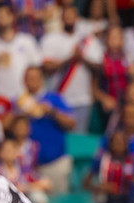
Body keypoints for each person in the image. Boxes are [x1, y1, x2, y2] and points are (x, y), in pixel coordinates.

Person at [41, 4, 104, 133]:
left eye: (72, 15)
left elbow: (100, 68)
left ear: (77, 18)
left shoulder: (89, 40)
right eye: (66, 15)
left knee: (78, 138)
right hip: (58, 99)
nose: (69, 18)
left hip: (82, 100)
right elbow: (46, 68)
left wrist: (82, 58)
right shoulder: (51, 39)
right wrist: (69, 58)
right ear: (61, 18)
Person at [17, 66, 76, 194]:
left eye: (35, 78)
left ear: (42, 80)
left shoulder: (54, 98)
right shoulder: (20, 102)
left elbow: (71, 124)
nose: (32, 82)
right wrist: (21, 114)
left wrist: (52, 111)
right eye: (29, 78)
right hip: (28, 167)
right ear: (24, 81)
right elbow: (6, 125)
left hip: (55, 162)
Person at [0, 3, 42, 103]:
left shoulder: (27, 41)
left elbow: (37, 69)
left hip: (24, 96)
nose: (1, 19)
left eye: (4, 16)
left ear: (13, 17)